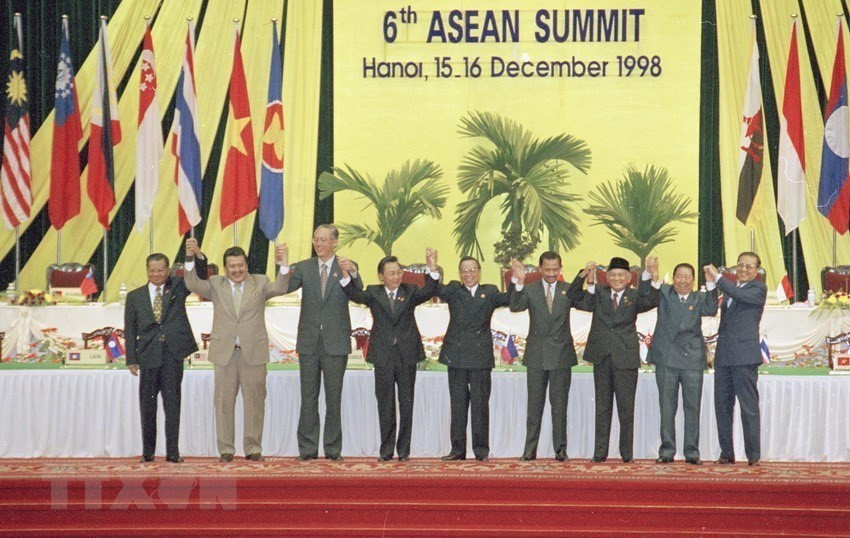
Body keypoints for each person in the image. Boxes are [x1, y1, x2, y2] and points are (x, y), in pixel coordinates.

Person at [184, 238, 290, 462]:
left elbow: (281, 287)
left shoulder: (260, 282)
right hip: (225, 353)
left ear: (246, 265)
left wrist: (283, 263)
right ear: (225, 268)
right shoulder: (216, 284)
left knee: (255, 403)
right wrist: (190, 256)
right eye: (232, 266)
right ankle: (226, 449)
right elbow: (192, 283)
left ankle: (253, 448)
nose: (237, 270)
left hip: (253, 353)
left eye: (240, 265)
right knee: (223, 403)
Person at [339, 249, 439, 461]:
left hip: (407, 354)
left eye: (399, 272)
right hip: (383, 355)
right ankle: (386, 450)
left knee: (406, 403)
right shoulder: (373, 292)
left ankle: (404, 450)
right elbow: (354, 294)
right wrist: (346, 274)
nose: (396, 277)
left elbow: (429, 290)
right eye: (391, 273)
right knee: (385, 404)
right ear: (381, 276)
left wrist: (432, 265)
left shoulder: (410, 290)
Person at [286, 224, 363, 461]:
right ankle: (307, 449)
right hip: (309, 342)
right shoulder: (304, 267)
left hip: (335, 342)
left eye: (323, 240)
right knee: (308, 398)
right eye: (316, 240)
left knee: (333, 398)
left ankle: (332, 449)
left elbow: (358, 291)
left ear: (334, 242)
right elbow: (286, 286)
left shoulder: (346, 266)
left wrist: (353, 273)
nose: (318, 244)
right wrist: (283, 265)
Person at [574, 255, 660, 463]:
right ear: (607, 277)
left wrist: (652, 275)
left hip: (625, 357)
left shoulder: (634, 295)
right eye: (613, 275)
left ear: (629, 278)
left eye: (621, 275)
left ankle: (626, 454)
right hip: (602, 356)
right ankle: (600, 453)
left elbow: (652, 300)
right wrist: (585, 277)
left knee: (626, 408)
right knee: (602, 407)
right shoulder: (598, 293)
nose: (617, 279)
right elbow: (575, 298)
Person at [124, 252, 207, 463]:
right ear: (147, 271)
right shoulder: (135, 296)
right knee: (147, 407)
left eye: (161, 270)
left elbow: (199, 276)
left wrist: (196, 255)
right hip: (148, 356)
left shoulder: (178, 287)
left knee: (172, 405)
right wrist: (131, 359)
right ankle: (148, 453)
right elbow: (130, 330)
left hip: (172, 355)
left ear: (168, 270)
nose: (156, 274)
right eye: (152, 270)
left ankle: (173, 452)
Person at [510, 253, 585, 462]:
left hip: (561, 355)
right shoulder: (530, 289)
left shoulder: (568, 289)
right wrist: (519, 282)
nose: (551, 273)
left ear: (561, 268)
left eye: (555, 269)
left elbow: (587, 304)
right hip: (536, 355)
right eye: (547, 269)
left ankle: (560, 449)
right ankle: (529, 450)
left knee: (559, 406)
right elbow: (515, 306)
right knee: (534, 406)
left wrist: (587, 281)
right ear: (540, 269)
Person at [438, 256, 512, 462]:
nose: (468, 274)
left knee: (480, 406)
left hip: (480, 356)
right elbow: (436, 289)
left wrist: (516, 279)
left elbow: (509, 299)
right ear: (459, 273)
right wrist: (433, 268)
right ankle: (457, 450)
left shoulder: (490, 291)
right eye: (464, 270)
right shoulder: (453, 290)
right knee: (458, 405)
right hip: (456, 355)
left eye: (472, 270)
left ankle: (481, 451)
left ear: (479, 272)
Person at [647, 263, 718, 465]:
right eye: (679, 276)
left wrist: (711, 283)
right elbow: (648, 295)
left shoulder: (700, 298)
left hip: (692, 359)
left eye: (687, 277)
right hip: (666, 358)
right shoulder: (664, 293)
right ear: (673, 278)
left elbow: (712, 309)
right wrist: (653, 276)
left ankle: (692, 452)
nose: (683, 281)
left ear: (693, 280)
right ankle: (667, 451)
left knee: (692, 407)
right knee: (667, 407)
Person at [705, 252, 767, 466]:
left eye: (749, 266)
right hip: (724, 355)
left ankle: (753, 455)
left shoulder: (758, 288)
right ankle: (726, 453)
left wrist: (718, 278)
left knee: (748, 407)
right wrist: (711, 283)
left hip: (744, 356)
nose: (744, 269)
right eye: (740, 265)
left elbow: (740, 295)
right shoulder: (731, 289)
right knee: (722, 406)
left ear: (757, 270)